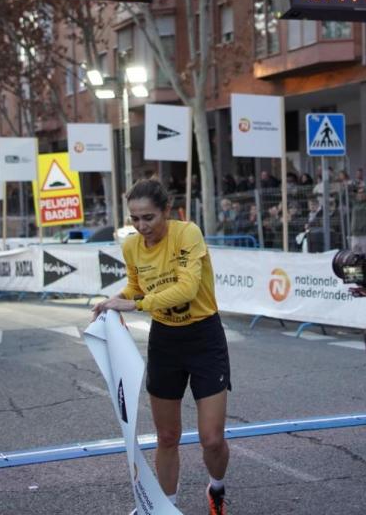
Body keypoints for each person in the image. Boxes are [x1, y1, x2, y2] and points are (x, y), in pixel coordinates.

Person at [93, 179, 231, 515]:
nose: (142, 227)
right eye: (135, 219)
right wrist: (117, 299)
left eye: (149, 218)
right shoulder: (131, 247)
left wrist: (136, 306)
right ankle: (165, 507)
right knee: (167, 436)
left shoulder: (187, 234)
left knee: (211, 438)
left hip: (204, 337)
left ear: (167, 211)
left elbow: (187, 289)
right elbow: (136, 286)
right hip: (165, 341)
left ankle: (217, 488)